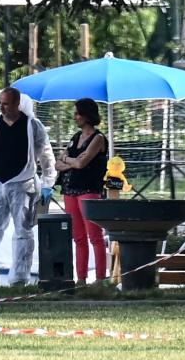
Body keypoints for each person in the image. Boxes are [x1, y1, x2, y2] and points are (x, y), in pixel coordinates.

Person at [0, 87, 56, 287]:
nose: (2, 107)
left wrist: (47, 183)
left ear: (17, 104)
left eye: (6, 103)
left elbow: (46, 155)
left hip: (22, 184)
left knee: (22, 233)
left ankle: (19, 278)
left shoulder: (33, 126)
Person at [54, 98, 109, 285]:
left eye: (78, 113)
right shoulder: (76, 138)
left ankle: (101, 278)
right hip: (70, 190)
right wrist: (71, 161)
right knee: (78, 237)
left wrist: (69, 160)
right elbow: (57, 162)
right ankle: (81, 278)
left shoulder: (98, 138)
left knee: (95, 235)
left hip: (89, 189)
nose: (75, 117)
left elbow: (80, 163)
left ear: (87, 115)